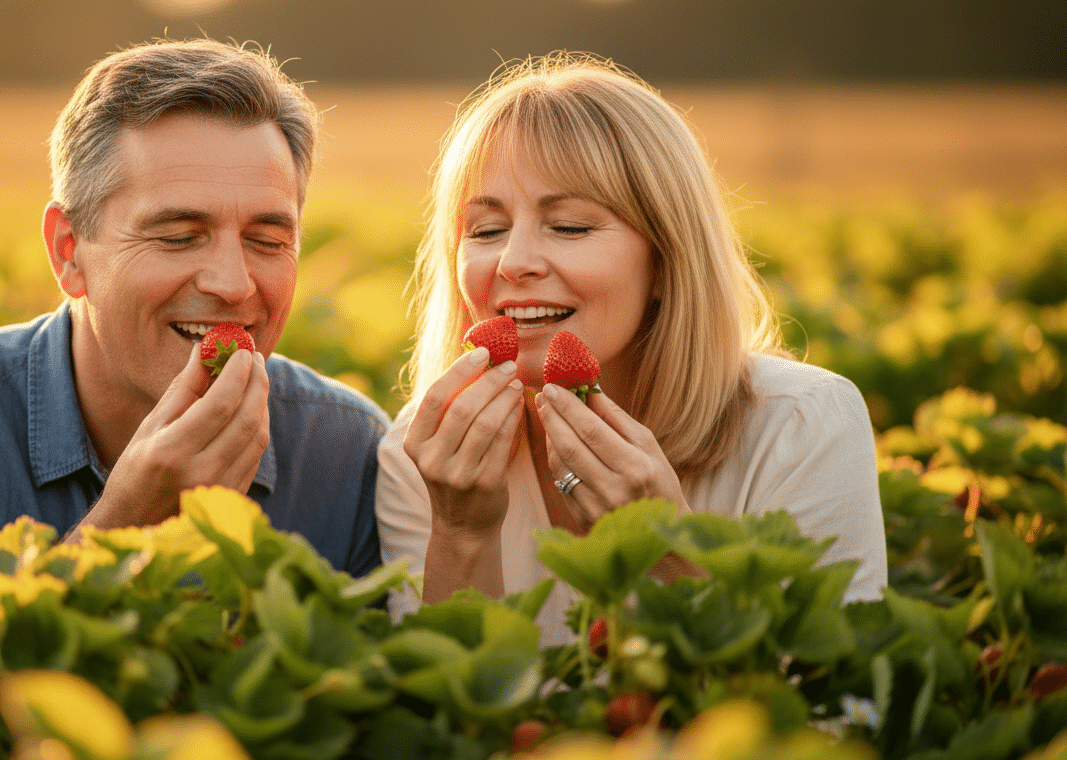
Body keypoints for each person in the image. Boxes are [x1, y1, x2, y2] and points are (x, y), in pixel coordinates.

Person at [0, 38, 390, 589]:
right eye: (179, 236)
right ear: (69, 252)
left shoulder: (346, 450)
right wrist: (128, 522)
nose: (233, 285)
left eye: (267, 240)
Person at [376, 53, 886, 645]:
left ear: (668, 260)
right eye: (485, 230)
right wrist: (461, 532)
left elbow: (836, 716)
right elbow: (445, 723)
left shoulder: (800, 428)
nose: (512, 262)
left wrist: (668, 556)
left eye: (569, 226)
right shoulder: (423, 454)